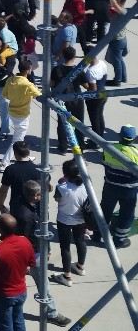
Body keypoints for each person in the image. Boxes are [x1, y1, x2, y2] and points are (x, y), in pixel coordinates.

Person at [0, 214, 35, 331]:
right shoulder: (25, 241)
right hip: (21, 291)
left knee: (6, 326)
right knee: (19, 320)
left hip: (4, 294)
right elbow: (31, 263)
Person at [95, 123, 138, 249]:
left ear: (120, 136)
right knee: (127, 214)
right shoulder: (136, 153)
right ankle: (119, 239)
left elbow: (104, 162)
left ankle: (97, 234)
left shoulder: (109, 148)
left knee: (104, 210)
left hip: (110, 186)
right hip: (129, 189)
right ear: (134, 138)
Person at [51, 159, 87, 287]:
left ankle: (67, 276)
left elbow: (57, 199)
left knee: (65, 247)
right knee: (80, 241)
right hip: (81, 219)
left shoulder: (61, 187)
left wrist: (61, 183)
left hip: (64, 220)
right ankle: (80, 267)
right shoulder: (86, 184)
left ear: (65, 173)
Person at [0, 61, 40, 170]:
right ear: (29, 70)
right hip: (23, 115)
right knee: (17, 141)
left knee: (21, 137)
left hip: (12, 112)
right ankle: (4, 163)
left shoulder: (10, 80)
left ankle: (25, 155)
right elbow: (39, 96)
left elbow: (5, 95)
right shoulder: (27, 84)